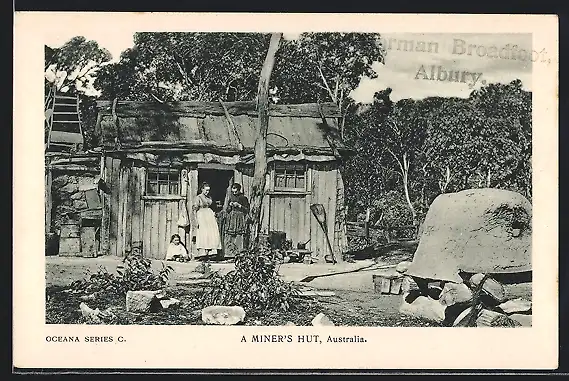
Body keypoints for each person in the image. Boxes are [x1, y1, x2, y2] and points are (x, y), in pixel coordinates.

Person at [193, 182, 222, 260]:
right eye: (206, 190)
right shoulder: (198, 197)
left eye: (208, 190)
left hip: (209, 215)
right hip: (201, 215)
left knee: (211, 233)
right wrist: (196, 220)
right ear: (202, 189)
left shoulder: (209, 197)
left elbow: (212, 206)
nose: (207, 192)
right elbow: (195, 210)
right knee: (203, 233)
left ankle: (211, 252)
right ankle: (203, 253)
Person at [222, 183, 249, 259]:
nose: (234, 192)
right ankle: (229, 254)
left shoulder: (243, 198)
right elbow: (227, 210)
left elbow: (247, 210)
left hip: (240, 217)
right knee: (230, 234)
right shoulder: (231, 197)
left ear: (239, 190)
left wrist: (240, 206)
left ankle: (239, 253)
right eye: (233, 191)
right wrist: (230, 205)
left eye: (235, 191)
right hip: (232, 217)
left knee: (239, 235)